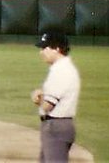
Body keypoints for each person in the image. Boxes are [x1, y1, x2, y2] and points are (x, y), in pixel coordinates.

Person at [31, 31, 81, 163]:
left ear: (57, 49)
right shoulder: (62, 68)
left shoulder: (62, 71)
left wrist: (37, 97)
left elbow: (48, 105)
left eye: (45, 48)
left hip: (56, 127)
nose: (41, 52)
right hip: (57, 126)